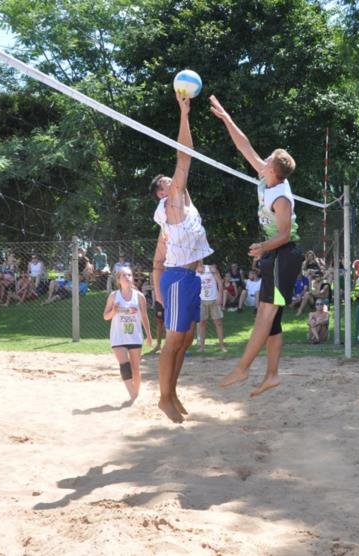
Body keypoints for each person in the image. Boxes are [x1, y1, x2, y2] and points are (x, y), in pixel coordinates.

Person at [210, 95, 304, 397]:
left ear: (273, 170)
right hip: (276, 256)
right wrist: (226, 118)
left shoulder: (281, 198)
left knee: (265, 313)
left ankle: (243, 367)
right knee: (273, 321)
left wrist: (263, 247)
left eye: (267, 161)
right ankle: (272, 375)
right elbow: (244, 146)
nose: (261, 162)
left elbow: (287, 235)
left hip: (283, 256)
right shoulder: (267, 179)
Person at [150, 92, 214, 423]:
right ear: (163, 194)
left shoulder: (186, 208)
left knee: (186, 339)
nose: (173, 182)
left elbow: (184, 169)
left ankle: (172, 391)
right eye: (167, 183)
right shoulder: (170, 207)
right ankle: (163, 398)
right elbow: (184, 157)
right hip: (176, 278)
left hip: (190, 278)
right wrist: (184, 113)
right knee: (173, 341)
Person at [103, 267, 153, 402]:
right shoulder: (114, 296)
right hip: (118, 337)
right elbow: (106, 316)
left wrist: (148, 334)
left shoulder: (139, 296)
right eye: (124, 275)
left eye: (129, 275)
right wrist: (114, 310)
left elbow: (144, 316)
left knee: (136, 368)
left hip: (135, 336)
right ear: (119, 279)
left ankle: (135, 395)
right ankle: (133, 395)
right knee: (125, 365)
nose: (127, 277)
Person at [196, 262, 227, 353]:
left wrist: (220, 296)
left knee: (218, 323)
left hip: (214, 299)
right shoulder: (193, 271)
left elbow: (220, 283)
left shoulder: (211, 268)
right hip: (201, 300)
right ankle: (202, 347)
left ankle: (222, 346)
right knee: (202, 323)